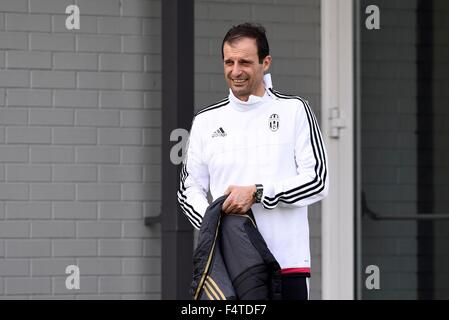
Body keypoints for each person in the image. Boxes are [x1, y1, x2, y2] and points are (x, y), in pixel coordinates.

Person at [177, 22, 329, 300]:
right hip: (230, 268)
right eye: (229, 62)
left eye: (245, 62)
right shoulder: (205, 121)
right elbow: (188, 191)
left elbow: (317, 181)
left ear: (266, 62)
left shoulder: (295, 110)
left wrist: (258, 194)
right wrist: (215, 224)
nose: (235, 71)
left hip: (287, 265)